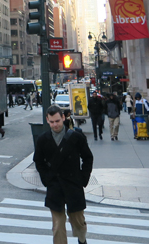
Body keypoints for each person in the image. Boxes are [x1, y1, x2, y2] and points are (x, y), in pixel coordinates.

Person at [33, 104, 93, 244]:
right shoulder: (43, 140)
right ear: (47, 120)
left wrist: (83, 178)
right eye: (52, 122)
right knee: (58, 225)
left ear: (63, 118)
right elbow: (38, 161)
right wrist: (46, 179)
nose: (55, 125)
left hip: (74, 184)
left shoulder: (76, 137)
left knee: (78, 222)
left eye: (57, 121)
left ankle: (82, 240)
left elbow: (88, 158)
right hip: (55, 185)